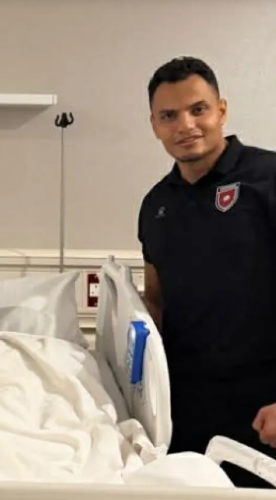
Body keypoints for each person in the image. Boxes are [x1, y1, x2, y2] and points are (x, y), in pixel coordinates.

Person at [137, 56, 276, 488]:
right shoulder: (156, 205)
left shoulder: (268, 178)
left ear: (222, 110)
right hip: (185, 412)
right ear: (154, 125)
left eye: (198, 109)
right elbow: (156, 300)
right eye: (169, 116)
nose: (186, 125)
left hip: (265, 409)